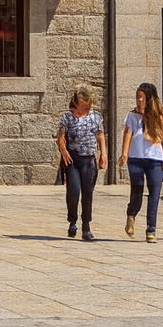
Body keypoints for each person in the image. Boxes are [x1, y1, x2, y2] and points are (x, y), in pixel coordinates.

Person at [119, 81, 163, 243]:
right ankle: (131, 215)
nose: (138, 100)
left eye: (141, 98)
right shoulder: (132, 116)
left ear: (148, 99)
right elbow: (128, 134)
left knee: (154, 193)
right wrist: (124, 154)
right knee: (137, 189)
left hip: (155, 158)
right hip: (136, 158)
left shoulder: (158, 117)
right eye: (137, 97)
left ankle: (151, 229)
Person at [56, 84, 106, 242]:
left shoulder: (95, 117)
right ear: (78, 102)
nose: (87, 106)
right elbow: (61, 137)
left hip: (89, 159)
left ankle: (86, 226)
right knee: (73, 192)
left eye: (89, 103)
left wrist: (103, 154)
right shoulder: (67, 117)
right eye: (84, 103)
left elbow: (100, 135)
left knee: (87, 193)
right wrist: (63, 151)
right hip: (73, 159)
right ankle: (72, 221)